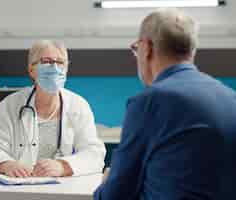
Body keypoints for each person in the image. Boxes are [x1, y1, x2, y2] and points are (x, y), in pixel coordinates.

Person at [94, 8, 236, 200]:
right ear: (192, 51)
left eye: (136, 49)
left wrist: (105, 184)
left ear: (146, 48)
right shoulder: (230, 98)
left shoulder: (150, 102)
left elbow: (117, 194)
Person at [0, 40, 106, 177]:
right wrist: (6, 164)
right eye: (46, 61)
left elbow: (94, 154)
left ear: (66, 69)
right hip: (19, 188)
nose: (54, 68)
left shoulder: (78, 105)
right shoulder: (9, 106)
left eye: (60, 62)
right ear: (31, 70)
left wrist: (63, 166)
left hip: (63, 190)